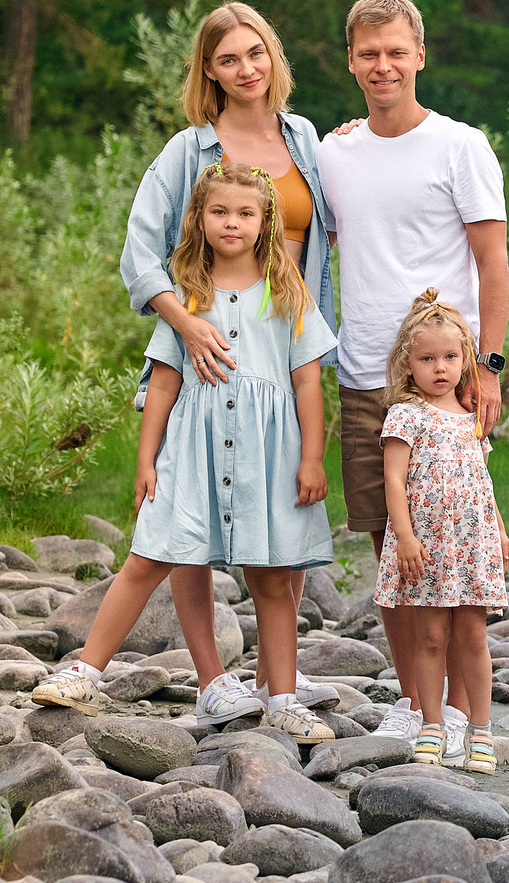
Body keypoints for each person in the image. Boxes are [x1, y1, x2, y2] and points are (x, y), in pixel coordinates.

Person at [38, 164, 338, 739]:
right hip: (191, 448)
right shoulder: (186, 298)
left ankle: (282, 699)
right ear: (199, 219)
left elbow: (307, 383)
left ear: (265, 221)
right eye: (219, 212)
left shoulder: (288, 293)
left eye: (246, 213)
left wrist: (312, 458)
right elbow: (165, 383)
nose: (232, 223)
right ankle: (84, 672)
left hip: (268, 457)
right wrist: (146, 459)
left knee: (272, 576)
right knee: (149, 556)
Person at [117, 2, 337, 717]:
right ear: (208, 70)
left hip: (280, 339)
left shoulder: (305, 138)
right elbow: (139, 254)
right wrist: (183, 325)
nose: (247, 69)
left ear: (274, 56)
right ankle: (214, 679)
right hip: (204, 346)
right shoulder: (190, 150)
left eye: (256, 53)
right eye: (229, 59)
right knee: (188, 515)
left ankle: (282, 680)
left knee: (279, 518)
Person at [318, 0, 509, 751]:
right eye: (369, 54)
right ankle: (414, 700)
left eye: (397, 51)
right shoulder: (336, 153)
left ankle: (466, 712)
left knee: (455, 550)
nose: (383, 65)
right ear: (351, 61)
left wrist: (486, 369)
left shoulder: (461, 146)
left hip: (446, 381)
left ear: (420, 55)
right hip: (365, 372)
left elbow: (492, 261)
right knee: (388, 540)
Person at [375, 290, 509, 771]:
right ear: (407, 364)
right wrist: (405, 537)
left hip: (471, 543)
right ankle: (431, 723)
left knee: (473, 636)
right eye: (427, 358)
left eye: (451, 357)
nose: (440, 367)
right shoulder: (405, 416)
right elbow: (393, 480)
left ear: (465, 361)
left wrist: (499, 529)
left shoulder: (473, 420)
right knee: (430, 636)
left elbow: (481, 480)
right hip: (428, 545)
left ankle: (482, 730)